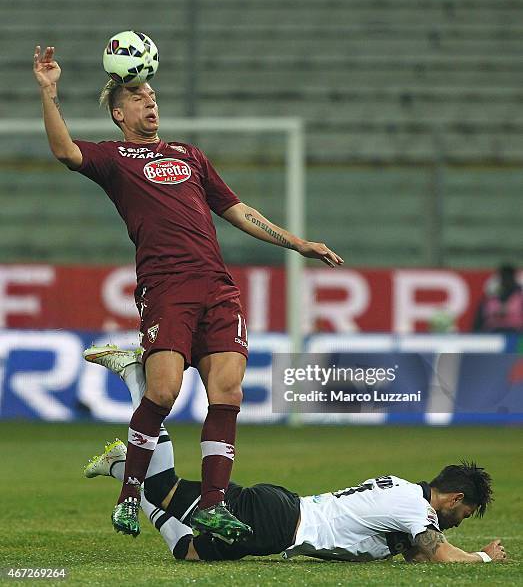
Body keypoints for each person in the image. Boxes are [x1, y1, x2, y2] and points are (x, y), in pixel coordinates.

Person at [33, 45, 344, 541]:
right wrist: (49, 92)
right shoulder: (113, 158)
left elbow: (236, 209)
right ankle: (130, 492)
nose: (150, 102)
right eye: (138, 96)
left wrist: (297, 242)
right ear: (119, 112)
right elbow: (65, 151)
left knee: (229, 391)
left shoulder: (190, 156)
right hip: (166, 286)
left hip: (217, 287)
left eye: (153, 94)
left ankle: (213, 506)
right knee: (163, 391)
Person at [83, 346, 506, 564]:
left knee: (187, 552)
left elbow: (418, 553)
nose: (458, 522)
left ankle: (123, 463)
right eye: (464, 514)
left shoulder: (406, 496)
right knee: (160, 487)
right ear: (453, 499)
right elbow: (438, 553)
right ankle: (134, 375)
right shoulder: (415, 509)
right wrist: (484, 557)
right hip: (278, 520)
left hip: (281, 521)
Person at [473, 264, 523, 333]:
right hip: (492, 335)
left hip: (517, 336)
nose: (506, 280)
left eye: (508, 277)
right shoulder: (489, 299)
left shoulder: (520, 297)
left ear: (514, 278)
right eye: (503, 277)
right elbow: (477, 324)